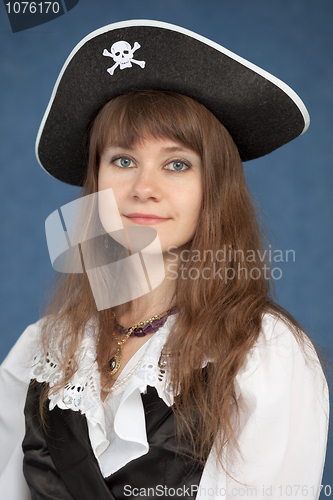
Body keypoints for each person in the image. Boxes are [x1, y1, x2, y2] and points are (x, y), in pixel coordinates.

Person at [0, 20, 329, 500]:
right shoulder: (42, 348)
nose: (144, 189)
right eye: (123, 160)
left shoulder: (263, 353)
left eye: (177, 164)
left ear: (212, 190)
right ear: (95, 184)